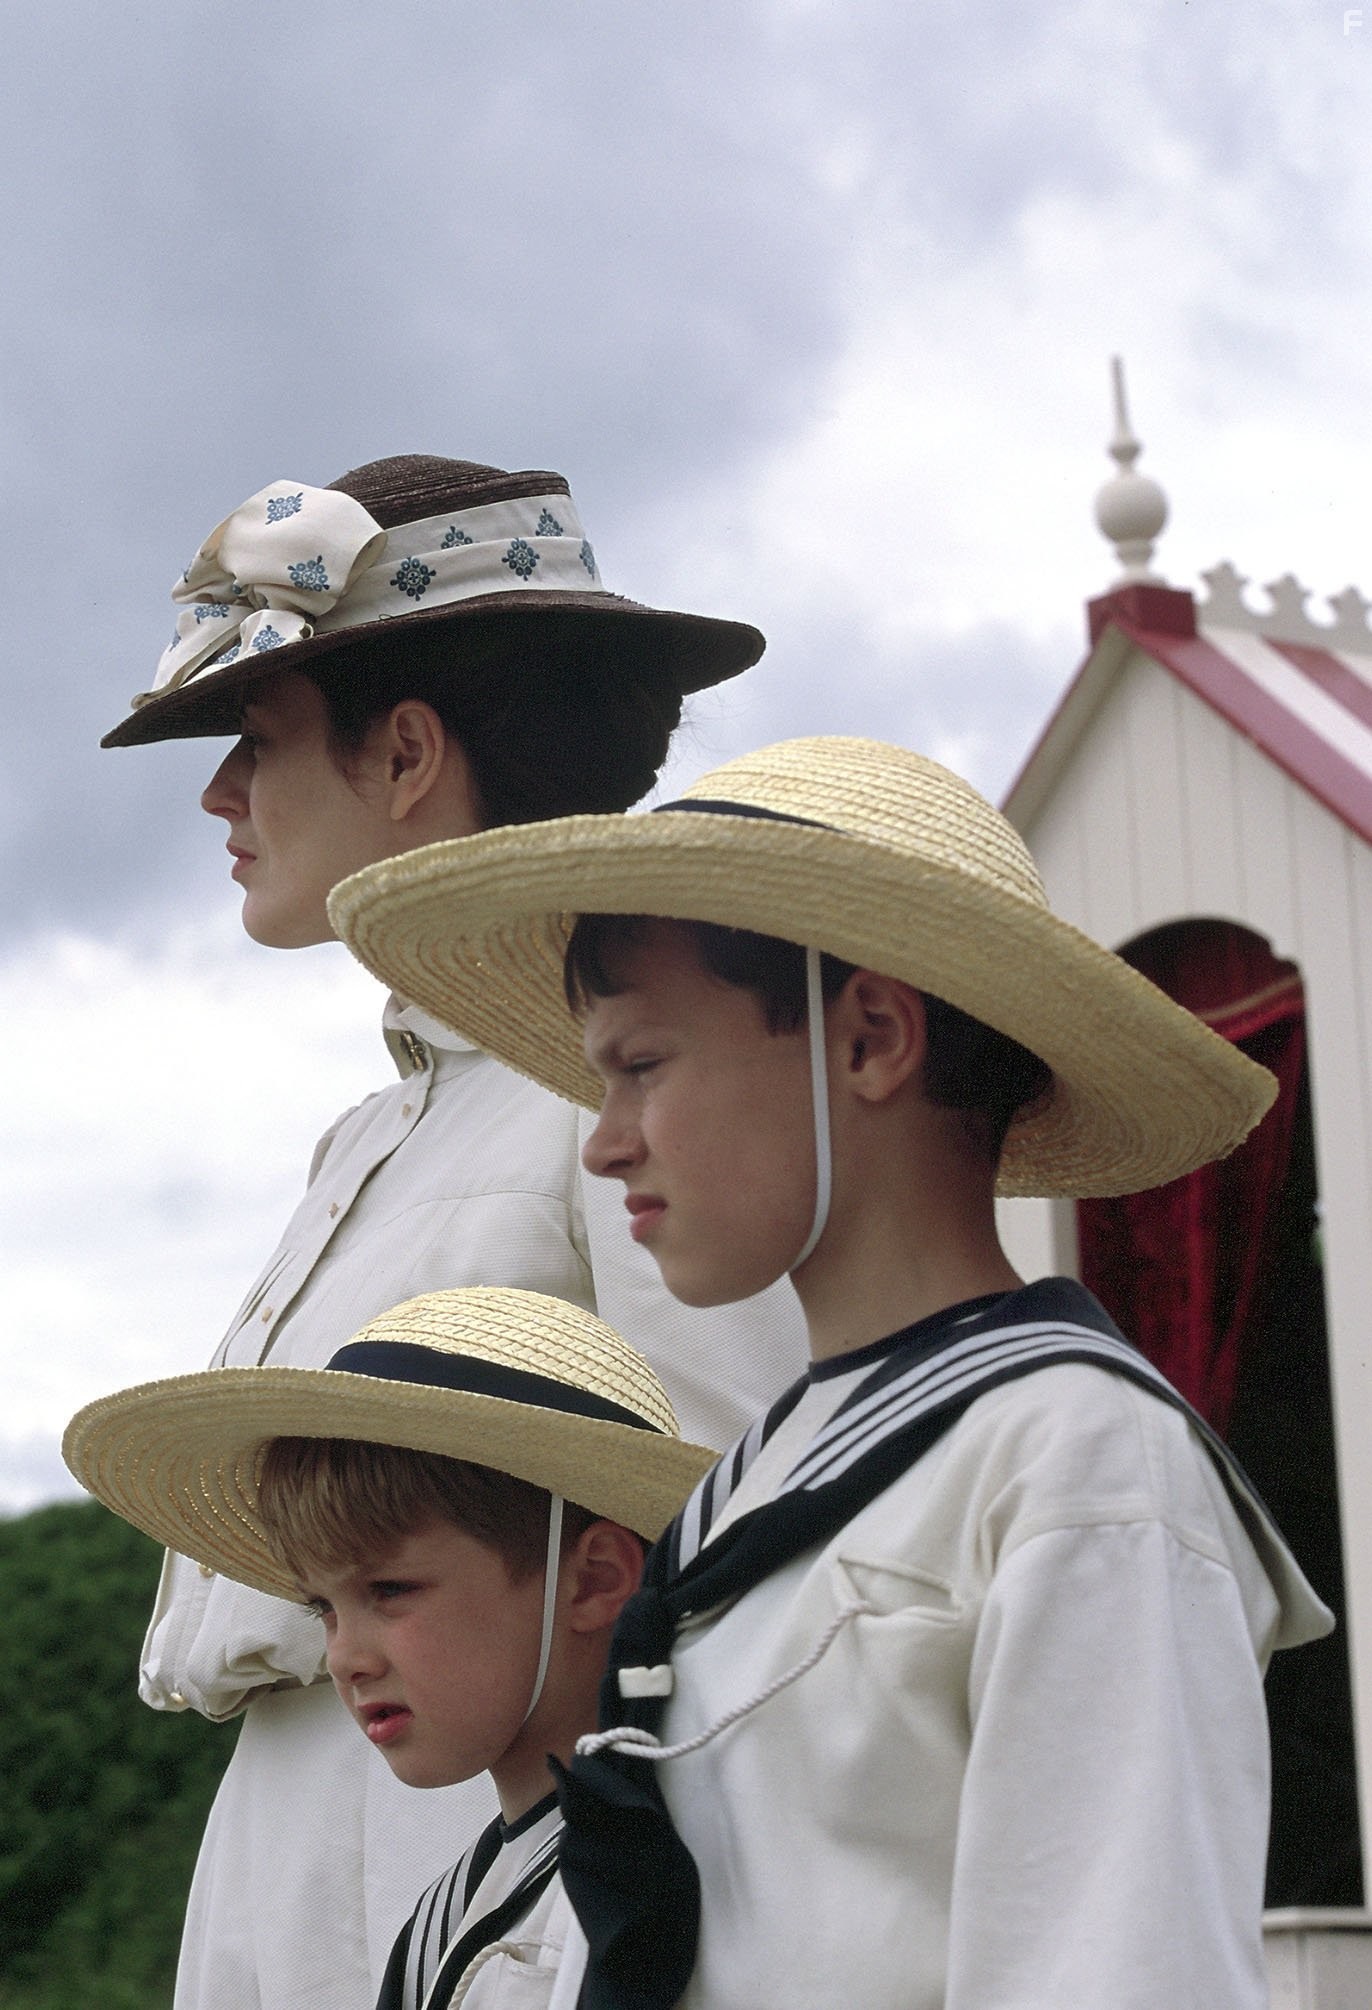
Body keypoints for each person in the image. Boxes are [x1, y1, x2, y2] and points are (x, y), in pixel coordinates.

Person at [329, 734, 1333, 2010]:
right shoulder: (745, 1492)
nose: (606, 1145)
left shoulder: (1071, 1460)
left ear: (867, 1038)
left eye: (641, 1066)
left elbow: (1118, 1969)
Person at [103, 456, 807, 2008]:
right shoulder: (373, 1137)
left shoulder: (601, 1102)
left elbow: (725, 1537)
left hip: (479, 1867)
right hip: (299, 1844)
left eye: (256, 735)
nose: (221, 793)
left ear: (409, 749)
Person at [64, 1286, 714, 2009]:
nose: (346, 1658)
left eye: (391, 1590)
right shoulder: (453, 1906)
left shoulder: (654, 1885)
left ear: (593, 1579)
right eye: (323, 1607)